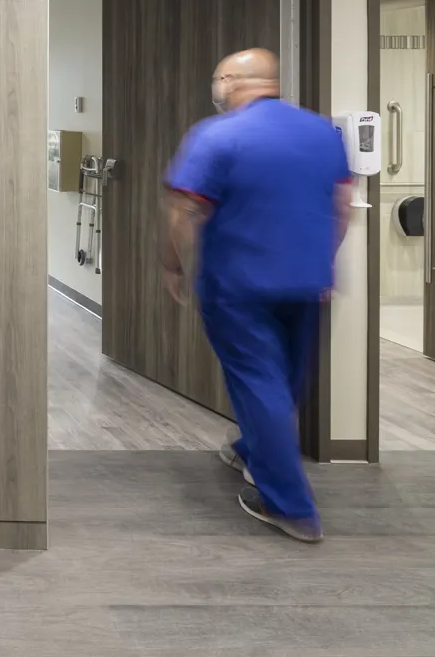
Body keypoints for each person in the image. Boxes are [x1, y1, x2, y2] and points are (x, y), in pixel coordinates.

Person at [161, 48, 352, 543]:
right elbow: (342, 205)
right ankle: (251, 449)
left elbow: (185, 209)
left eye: (217, 79)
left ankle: (290, 506)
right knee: (285, 379)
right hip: (306, 281)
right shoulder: (320, 132)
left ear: (229, 81)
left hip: (238, 285)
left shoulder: (216, 135)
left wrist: (173, 263)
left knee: (258, 383)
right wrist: (323, 261)